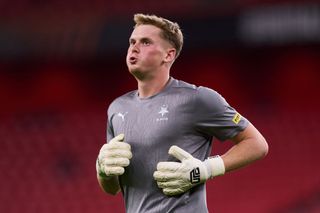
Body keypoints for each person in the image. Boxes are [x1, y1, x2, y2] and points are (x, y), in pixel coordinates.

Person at [96, 13, 268, 213]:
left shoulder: (198, 99)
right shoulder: (117, 108)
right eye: (132, 42)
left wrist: (205, 169)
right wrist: (102, 170)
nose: (134, 48)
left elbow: (257, 144)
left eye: (145, 42)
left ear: (168, 55)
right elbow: (112, 188)